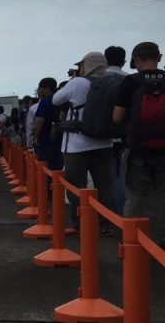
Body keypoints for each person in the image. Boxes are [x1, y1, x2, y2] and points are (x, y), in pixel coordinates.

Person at [53, 52, 113, 233]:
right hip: (104, 142)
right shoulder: (111, 81)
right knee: (104, 185)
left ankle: (80, 223)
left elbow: (57, 100)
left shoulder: (78, 82)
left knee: (75, 185)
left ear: (86, 66)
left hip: (77, 144)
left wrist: (73, 79)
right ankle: (106, 225)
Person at [113, 40, 165, 245]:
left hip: (138, 149)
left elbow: (117, 117)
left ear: (135, 59)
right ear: (159, 58)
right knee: (162, 196)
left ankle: (132, 243)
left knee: (135, 196)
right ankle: (160, 242)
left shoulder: (131, 82)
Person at [104, 45, 128, 216]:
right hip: (128, 138)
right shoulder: (130, 79)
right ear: (125, 61)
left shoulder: (99, 80)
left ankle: (112, 217)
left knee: (108, 180)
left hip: (102, 138)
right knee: (124, 179)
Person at [30, 78, 59, 168]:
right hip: (59, 140)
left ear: (47, 88)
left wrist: (35, 136)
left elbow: (40, 121)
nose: (38, 91)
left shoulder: (45, 101)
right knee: (58, 167)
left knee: (46, 167)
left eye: (39, 88)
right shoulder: (60, 100)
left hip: (46, 140)